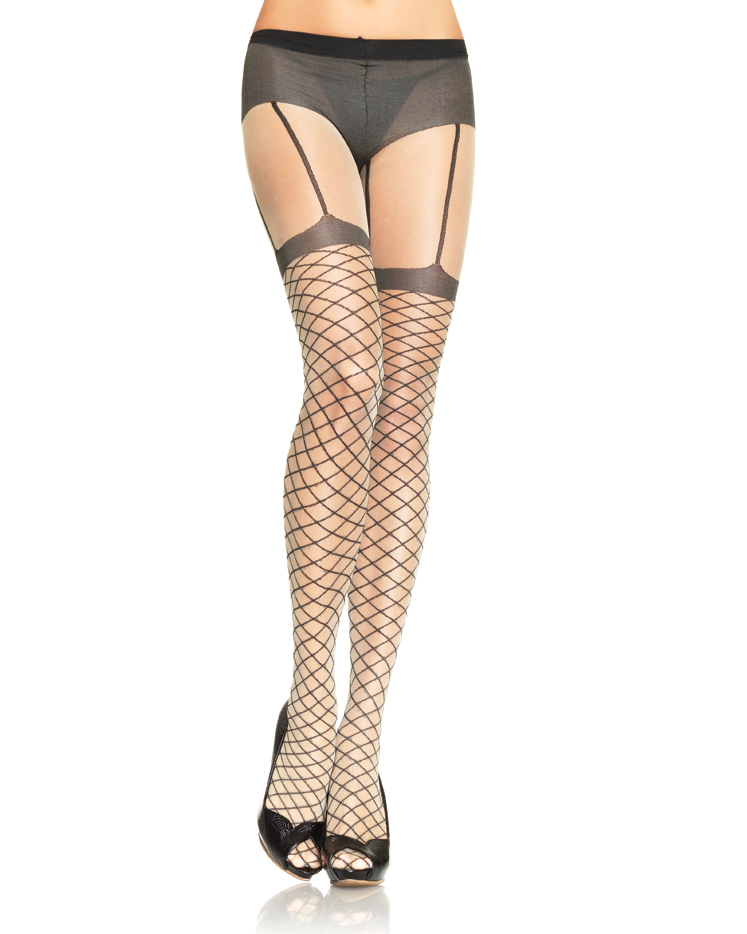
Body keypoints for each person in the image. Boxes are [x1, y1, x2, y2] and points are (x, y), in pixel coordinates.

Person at [241, 0, 475, 886]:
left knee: (405, 395)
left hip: (432, 73)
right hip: (295, 64)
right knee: (346, 368)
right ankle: (310, 708)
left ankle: (360, 738)